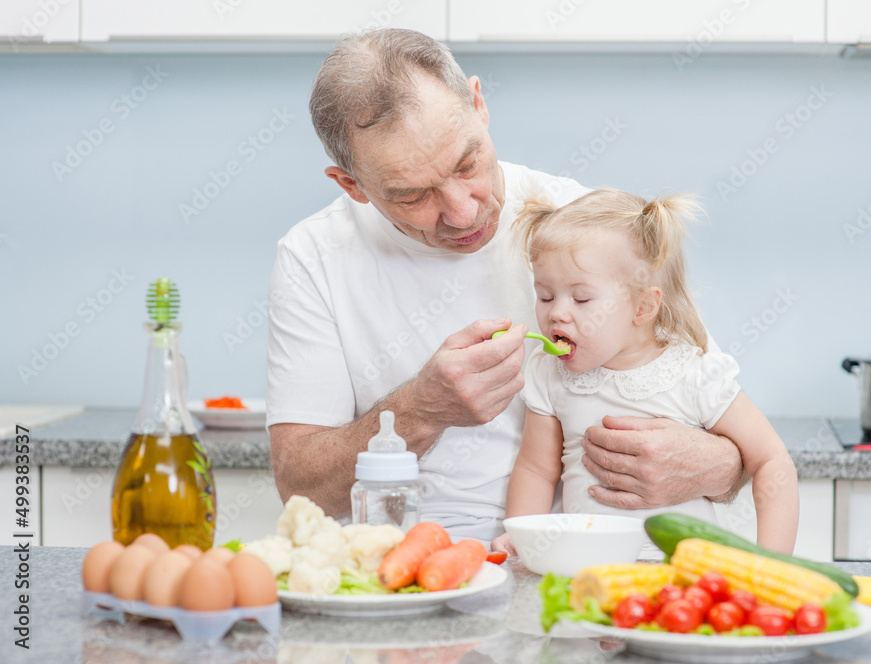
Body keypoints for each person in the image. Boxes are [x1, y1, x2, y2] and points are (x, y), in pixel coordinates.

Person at [265, 28, 747, 543]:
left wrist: (717, 467)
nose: (463, 210)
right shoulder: (312, 257)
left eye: (467, 164)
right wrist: (418, 411)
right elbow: (302, 489)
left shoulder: (586, 229)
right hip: (398, 564)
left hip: (569, 562)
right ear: (352, 185)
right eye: (412, 196)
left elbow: (726, 429)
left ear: (478, 104)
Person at [491, 189, 798, 554]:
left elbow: (771, 460)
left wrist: (773, 562)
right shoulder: (548, 375)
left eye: (581, 298)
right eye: (545, 296)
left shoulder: (694, 376)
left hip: (685, 576)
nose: (556, 312)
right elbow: (537, 470)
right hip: (587, 567)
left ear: (643, 306)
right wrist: (524, 536)